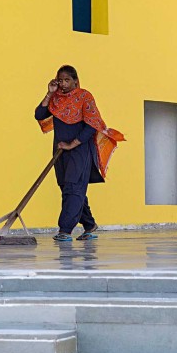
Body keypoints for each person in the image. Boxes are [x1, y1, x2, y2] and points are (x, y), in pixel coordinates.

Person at [34, 65, 125, 242]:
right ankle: (90, 225)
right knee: (66, 187)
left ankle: (65, 230)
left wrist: (72, 144)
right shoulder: (56, 99)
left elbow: (92, 124)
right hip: (60, 150)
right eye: (60, 80)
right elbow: (39, 114)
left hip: (80, 150)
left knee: (73, 188)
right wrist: (50, 93)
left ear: (75, 81)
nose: (63, 84)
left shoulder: (85, 97)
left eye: (67, 80)